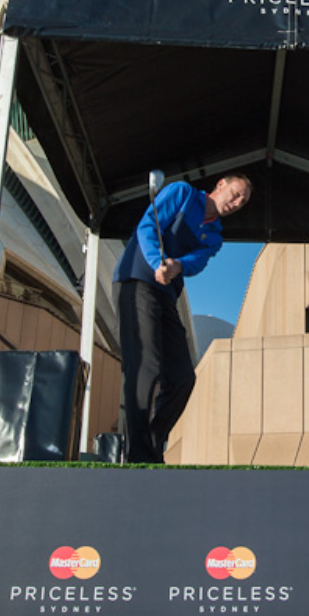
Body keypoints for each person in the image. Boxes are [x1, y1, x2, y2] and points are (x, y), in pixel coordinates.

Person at [113, 173, 252, 464]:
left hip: (165, 297)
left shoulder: (215, 238)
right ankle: (138, 454)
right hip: (137, 280)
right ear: (221, 185)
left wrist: (177, 265)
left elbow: (197, 262)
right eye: (236, 193)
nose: (237, 203)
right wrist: (156, 262)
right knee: (146, 365)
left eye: (242, 201)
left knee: (182, 378)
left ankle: (149, 444)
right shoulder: (182, 193)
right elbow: (148, 225)